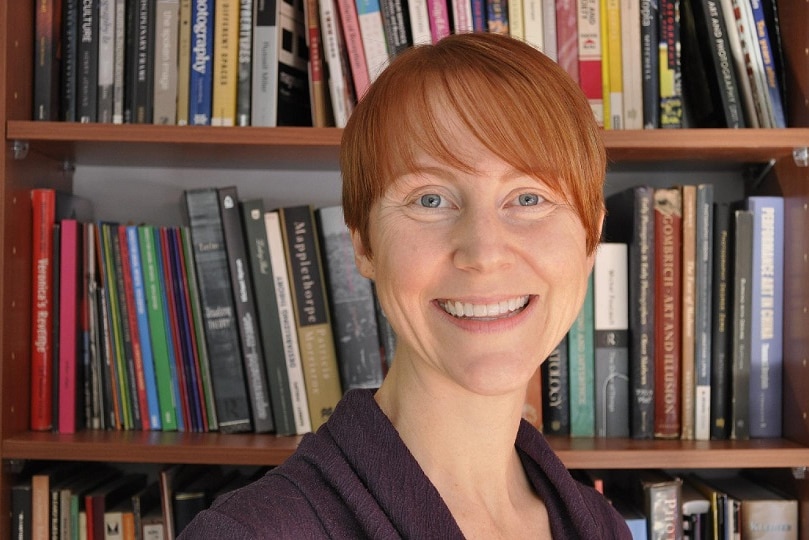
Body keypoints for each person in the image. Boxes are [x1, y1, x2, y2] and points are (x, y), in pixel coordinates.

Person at [179, 32, 632, 539]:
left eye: (528, 198)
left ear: (592, 237)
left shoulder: (603, 526)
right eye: (430, 200)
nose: (483, 253)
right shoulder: (252, 534)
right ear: (364, 245)